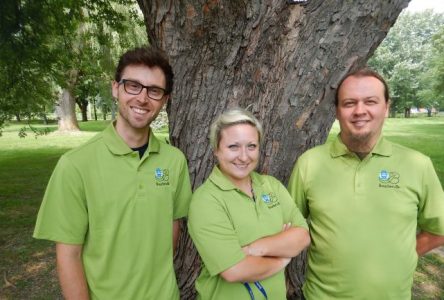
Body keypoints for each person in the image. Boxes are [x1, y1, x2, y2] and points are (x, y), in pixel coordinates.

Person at [33, 46, 192, 299]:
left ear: (165, 99)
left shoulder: (175, 161)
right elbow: (68, 255)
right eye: (133, 86)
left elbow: (173, 225)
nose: (142, 98)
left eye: (154, 91)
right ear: (115, 88)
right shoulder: (75, 165)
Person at [288, 68, 444, 299]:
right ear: (337, 111)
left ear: (386, 107)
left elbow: (438, 230)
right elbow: (289, 226)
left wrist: (404, 256)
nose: (360, 111)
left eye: (370, 101)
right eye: (349, 103)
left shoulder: (418, 165)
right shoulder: (309, 164)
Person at [188, 108, 310, 299]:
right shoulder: (206, 201)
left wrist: (255, 249)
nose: (244, 157)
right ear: (216, 150)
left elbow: (302, 235)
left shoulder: (271, 186)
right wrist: (282, 258)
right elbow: (235, 270)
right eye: (233, 147)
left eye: (251, 146)